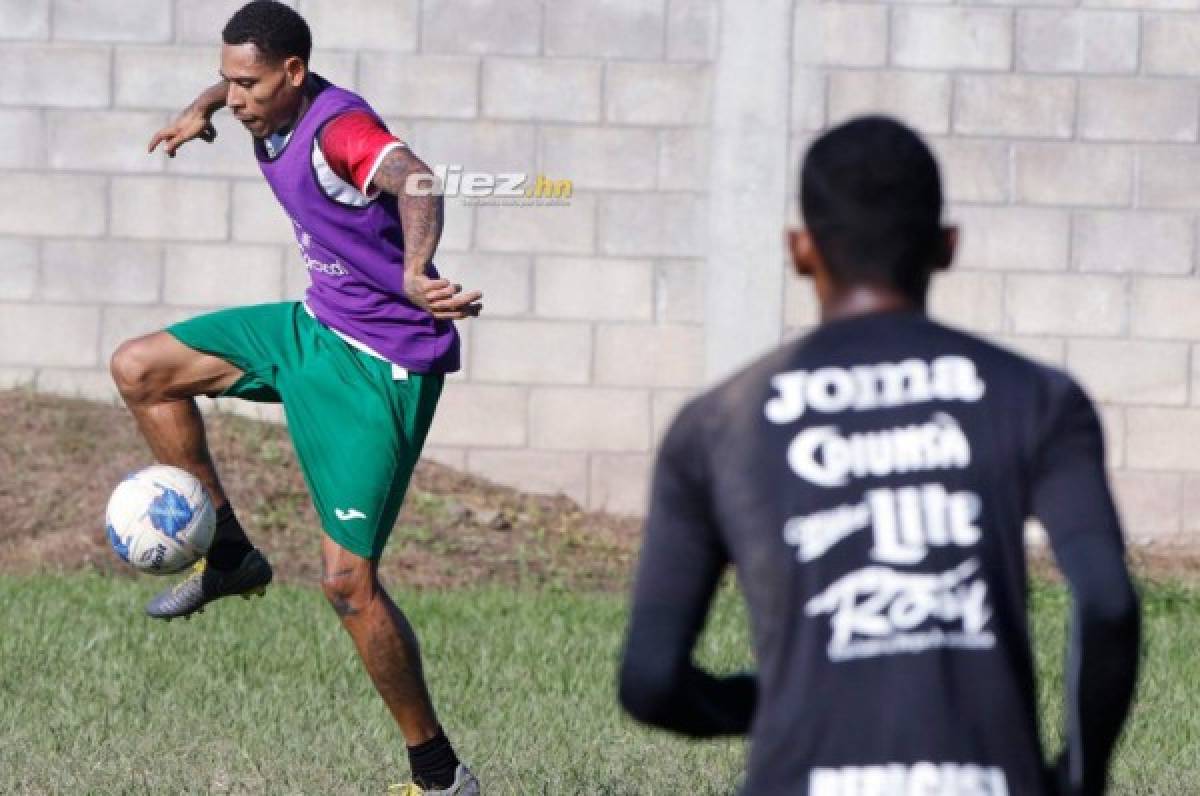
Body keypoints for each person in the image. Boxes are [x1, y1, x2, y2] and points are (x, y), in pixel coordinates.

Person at [618, 116, 1141, 796]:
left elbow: (651, 680)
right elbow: (1107, 602)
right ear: (946, 247)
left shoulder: (720, 422)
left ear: (801, 250)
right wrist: (1081, 774)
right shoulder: (1038, 396)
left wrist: (773, 701)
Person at [110, 2, 480, 793]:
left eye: (246, 84)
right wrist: (199, 106)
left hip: (378, 363)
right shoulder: (260, 101)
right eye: (226, 80)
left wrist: (418, 270)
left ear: (294, 75)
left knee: (348, 585)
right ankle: (232, 554)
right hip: (313, 326)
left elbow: (415, 178)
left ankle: (440, 777)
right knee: (141, 368)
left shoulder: (340, 131)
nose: (233, 96)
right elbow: (230, 89)